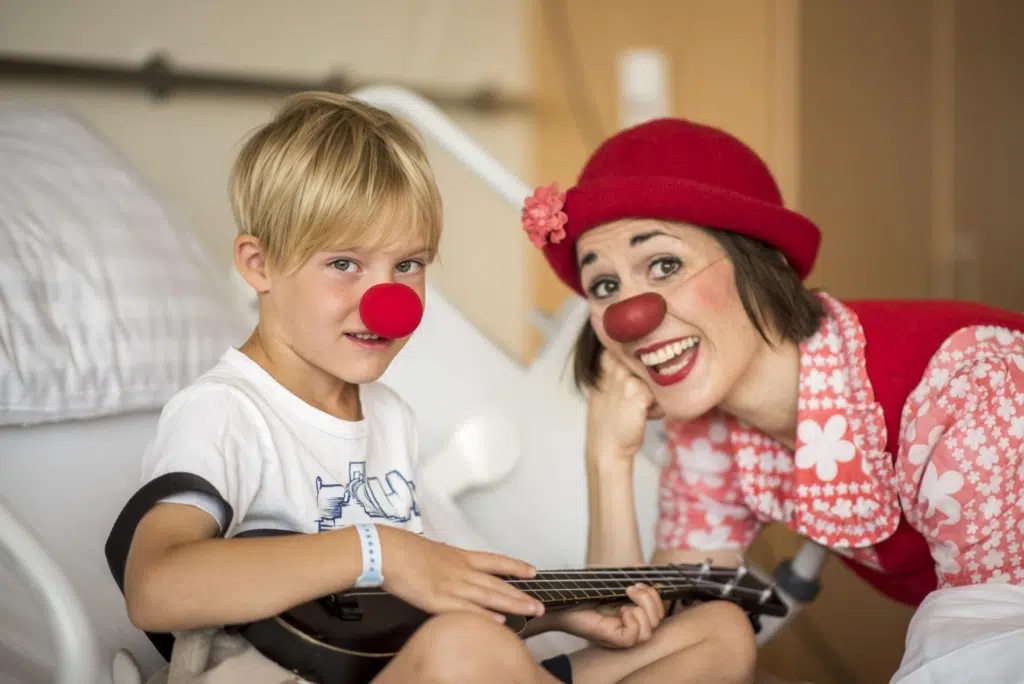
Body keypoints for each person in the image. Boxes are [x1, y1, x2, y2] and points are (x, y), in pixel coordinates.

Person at [106, 92, 756, 684]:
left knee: (718, 633)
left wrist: (549, 615)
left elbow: (380, 624)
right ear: (259, 265)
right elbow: (156, 587)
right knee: (467, 651)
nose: (387, 300)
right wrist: (377, 550)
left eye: (407, 265)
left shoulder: (386, 416)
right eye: (343, 263)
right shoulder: (224, 412)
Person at [520, 117, 1024, 682]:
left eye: (664, 265)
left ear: (766, 264)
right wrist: (607, 457)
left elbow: (992, 649)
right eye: (604, 286)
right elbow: (652, 646)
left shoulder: (973, 391)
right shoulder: (709, 434)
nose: (629, 316)